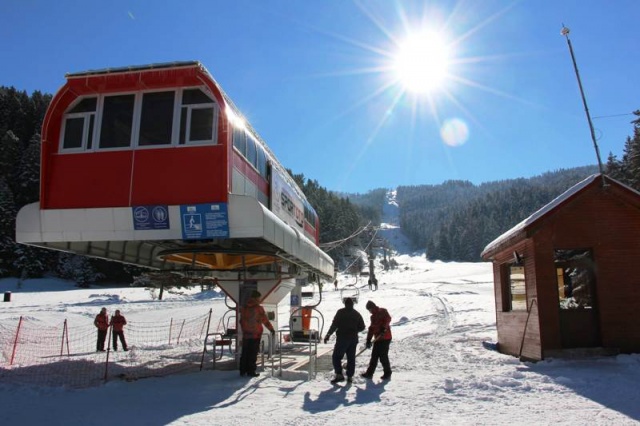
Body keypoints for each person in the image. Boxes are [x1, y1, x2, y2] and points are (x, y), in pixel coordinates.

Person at [324, 297, 365, 384]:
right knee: (351, 358)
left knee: (336, 356)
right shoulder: (356, 314)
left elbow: (334, 325)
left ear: (345, 304)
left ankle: (339, 375)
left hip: (342, 339)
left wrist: (328, 335)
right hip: (353, 339)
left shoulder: (340, 312)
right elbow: (362, 327)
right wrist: (354, 330)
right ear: (352, 304)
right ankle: (350, 376)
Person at [239, 290, 275, 377]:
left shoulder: (244, 308)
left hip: (246, 334)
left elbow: (241, 321)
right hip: (255, 334)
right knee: (252, 353)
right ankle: (251, 371)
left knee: (245, 352)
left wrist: (244, 330)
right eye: (259, 298)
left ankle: (243, 370)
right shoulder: (258, 308)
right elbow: (265, 320)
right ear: (256, 298)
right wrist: (271, 329)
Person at [361, 300, 392, 380]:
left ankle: (388, 372)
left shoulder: (383, 311)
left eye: (369, 310)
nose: (369, 312)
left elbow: (388, 319)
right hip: (378, 338)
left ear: (373, 307)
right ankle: (369, 373)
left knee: (383, 356)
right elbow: (371, 329)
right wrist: (368, 340)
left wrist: (384, 328)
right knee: (374, 356)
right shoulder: (373, 317)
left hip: (385, 337)